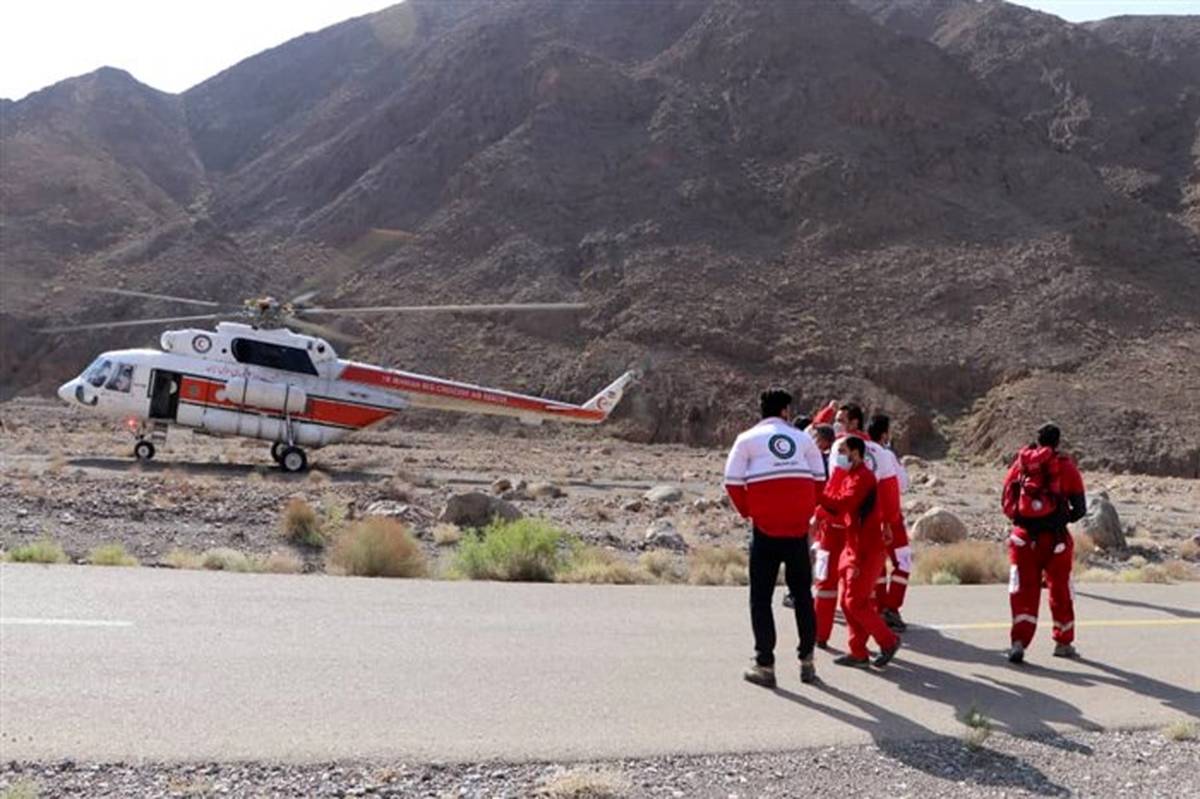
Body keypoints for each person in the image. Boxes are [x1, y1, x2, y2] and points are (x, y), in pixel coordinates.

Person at [724, 387, 827, 687]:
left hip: (765, 531)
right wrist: (805, 510)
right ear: (785, 411)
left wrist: (750, 511)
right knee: (803, 597)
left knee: (761, 599)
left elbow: (732, 481)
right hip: (797, 530)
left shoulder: (746, 439)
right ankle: (807, 661)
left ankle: (765, 665)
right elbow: (820, 480)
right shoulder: (803, 439)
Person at [809, 402, 900, 648]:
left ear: (854, 422)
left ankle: (821, 634)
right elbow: (891, 492)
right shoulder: (882, 453)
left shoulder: (841, 447)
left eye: (841, 420)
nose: (837, 424)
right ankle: (858, 643)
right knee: (860, 590)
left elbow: (835, 485)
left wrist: (818, 513)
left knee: (826, 583)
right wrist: (889, 523)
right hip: (862, 531)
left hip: (836, 527)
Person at [1002, 423, 1087, 663]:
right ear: (1058, 442)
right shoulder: (1066, 467)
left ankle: (1018, 642)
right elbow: (1080, 509)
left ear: (1037, 441)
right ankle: (1063, 642)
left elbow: (1006, 502)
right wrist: (1059, 519)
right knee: (1060, 590)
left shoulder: (1020, 465)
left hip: (1022, 538)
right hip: (1056, 541)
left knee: (1023, 591)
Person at [783, 422, 835, 610]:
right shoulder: (816, 458)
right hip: (811, 512)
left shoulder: (826, 460)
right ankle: (798, 592)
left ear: (824, 441)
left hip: (819, 513)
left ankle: (805, 592)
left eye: (817, 438)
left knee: (811, 554)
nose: (814, 441)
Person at [867, 414, 911, 632]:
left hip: (867, 518)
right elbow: (903, 484)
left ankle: (878, 607)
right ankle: (891, 608)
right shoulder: (886, 454)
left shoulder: (859, 451)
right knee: (903, 561)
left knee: (876, 565)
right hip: (890, 517)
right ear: (885, 434)